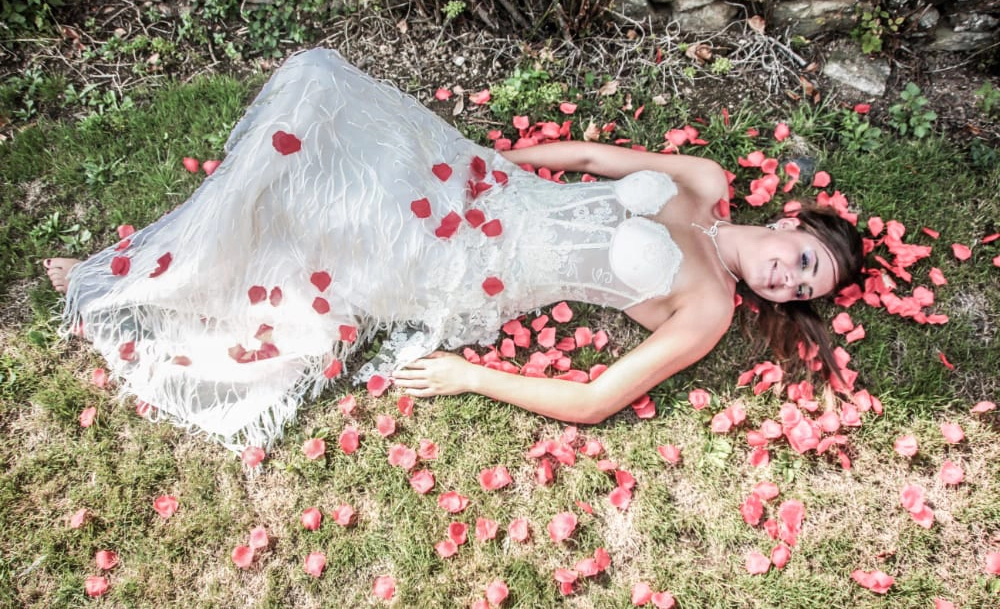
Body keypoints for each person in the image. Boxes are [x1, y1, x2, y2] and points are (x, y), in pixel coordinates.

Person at [44, 48, 862, 452]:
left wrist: (469, 374)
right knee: (319, 84)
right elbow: (588, 161)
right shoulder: (705, 180)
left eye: (800, 291)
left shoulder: (710, 308)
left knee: (311, 213)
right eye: (803, 260)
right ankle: (171, 259)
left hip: (465, 267)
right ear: (793, 224)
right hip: (481, 190)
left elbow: (596, 399)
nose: (787, 281)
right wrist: (494, 165)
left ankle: (136, 280)